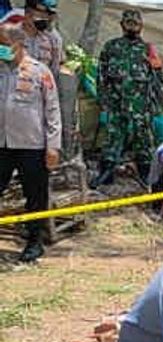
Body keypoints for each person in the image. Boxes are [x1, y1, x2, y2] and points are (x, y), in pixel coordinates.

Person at [0, 22, 59, 263]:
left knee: (35, 196)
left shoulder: (39, 72)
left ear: (19, 44)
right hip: (2, 145)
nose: (0, 49)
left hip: (32, 146)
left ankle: (34, 242)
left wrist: (53, 146)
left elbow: (53, 111)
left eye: (3, 44)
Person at [91, 9, 163, 188]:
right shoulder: (111, 47)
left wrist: (158, 104)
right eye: (129, 23)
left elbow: (158, 77)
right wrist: (103, 100)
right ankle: (106, 172)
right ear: (122, 25)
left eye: (135, 24)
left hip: (141, 105)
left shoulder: (148, 49)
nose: (132, 27)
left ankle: (146, 174)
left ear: (141, 26)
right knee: (112, 137)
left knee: (144, 140)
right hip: (116, 103)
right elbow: (101, 76)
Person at [21, 0, 62, 76]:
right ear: (27, 12)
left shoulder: (53, 38)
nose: (47, 18)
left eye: (50, 14)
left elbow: (54, 71)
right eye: (43, 14)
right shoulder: (10, 31)